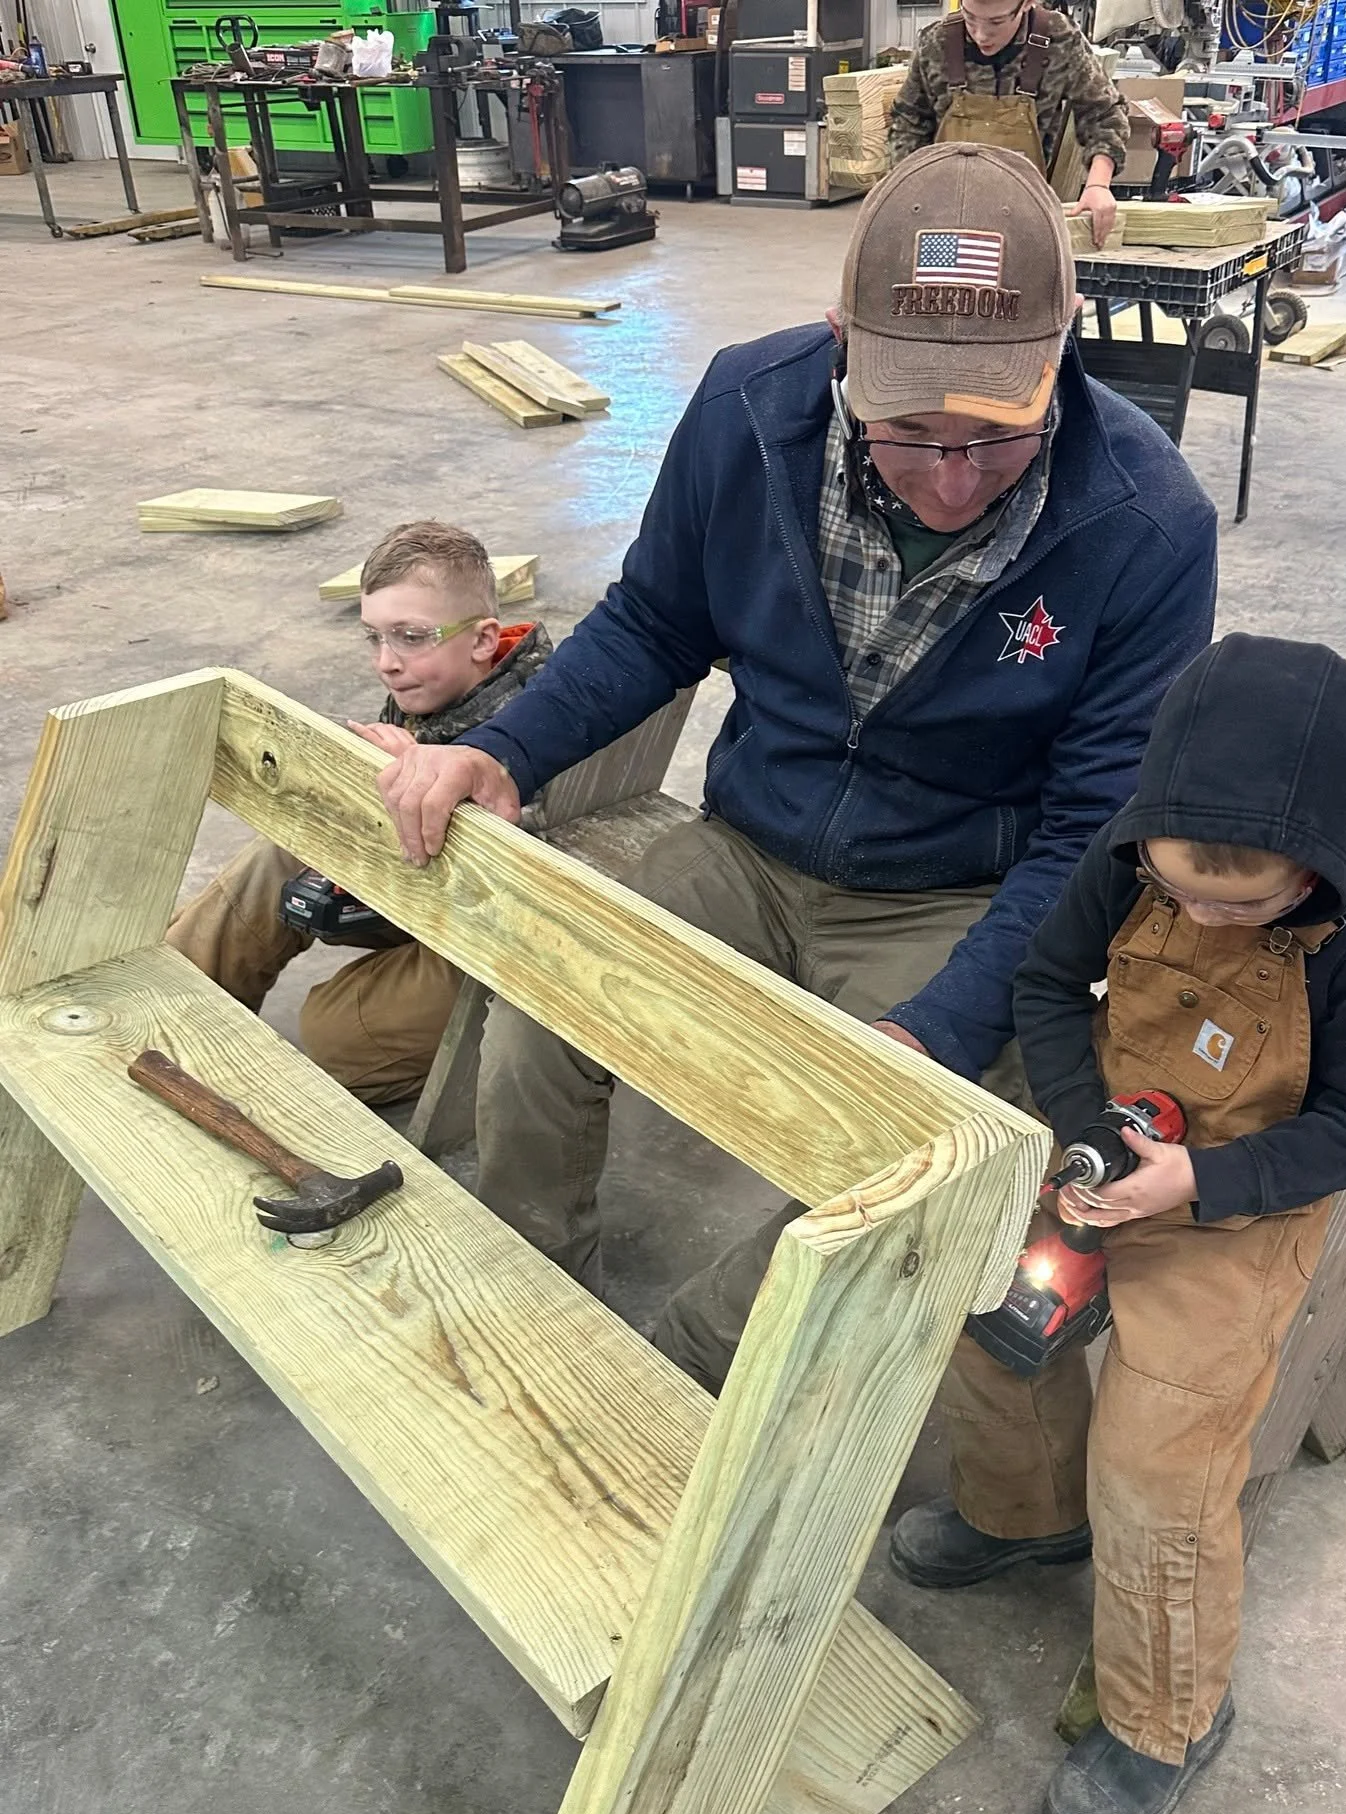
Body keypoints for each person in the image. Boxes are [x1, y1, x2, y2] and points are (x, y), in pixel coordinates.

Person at [356, 143, 1218, 1386]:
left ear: (1064, 343)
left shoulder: (1147, 525)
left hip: (951, 884)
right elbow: (657, 620)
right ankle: (528, 1306)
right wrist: (505, 745)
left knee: (941, 1143)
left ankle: (691, 1369)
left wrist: (941, 1028)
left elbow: (1095, 825)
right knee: (547, 990)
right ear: (840, 340)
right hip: (748, 845)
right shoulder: (746, 411)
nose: (952, 478)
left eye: (998, 436)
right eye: (910, 430)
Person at [891, 633, 1346, 1814]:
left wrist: (1199, 1180)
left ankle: (1168, 1717)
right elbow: (1048, 983)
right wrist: (1092, 1138)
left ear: (1322, 863)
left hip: (1240, 1201)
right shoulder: (1131, 851)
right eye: (1179, 886)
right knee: (993, 1318)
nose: (1198, 911)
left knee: (1161, 1463)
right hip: (1113, 1147)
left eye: (1238, 903)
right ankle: (1028, 1509)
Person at [168, 520, 551, 1103]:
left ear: (482, 640)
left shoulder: (540, 720)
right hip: (423, 897)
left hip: (502, 940)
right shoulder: (438, 689)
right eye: (374, 637)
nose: (386, 663)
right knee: (280, 856)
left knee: (335, 1034)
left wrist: (424, 780)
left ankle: (501, 1066)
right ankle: (172, 1002)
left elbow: (525, 886)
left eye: (412, 636)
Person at [887, 2, 1130, 249]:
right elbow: (908, 122)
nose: (980, 34)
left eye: (996, 22)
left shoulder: (1058, 40)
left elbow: (1104, 112)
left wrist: (1098, 184)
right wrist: (908, 193)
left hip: (1027, 217)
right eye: (970, 17)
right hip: (943, 216)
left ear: (1026, 4)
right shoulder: (937, 42)